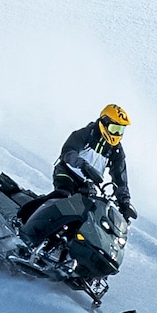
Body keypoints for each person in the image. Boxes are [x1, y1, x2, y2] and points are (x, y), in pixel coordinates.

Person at [17, 102, 133, 261]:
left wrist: (124, 202)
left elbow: (120, 179)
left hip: (87, 184)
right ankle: (25, 222)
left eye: (121, 130)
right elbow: (68, 152)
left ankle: (65, 251)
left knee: (87, 216)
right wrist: (82, 164)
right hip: (67, 173)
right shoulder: (86, 134)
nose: (117, 134)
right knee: (63, 197)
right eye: (115, 129)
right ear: (104, 122)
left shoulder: (116, 151)